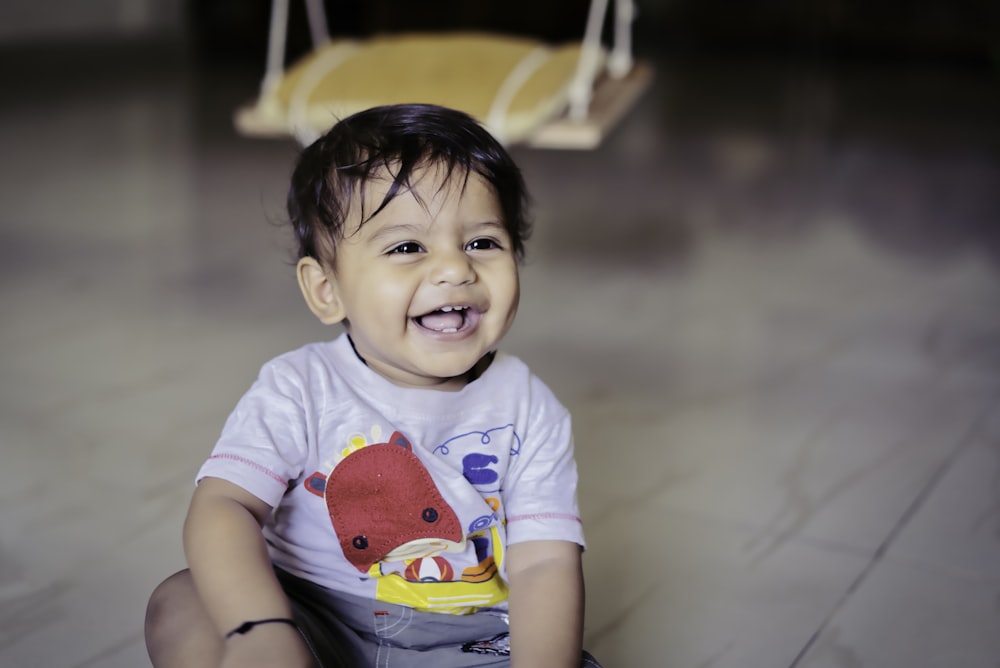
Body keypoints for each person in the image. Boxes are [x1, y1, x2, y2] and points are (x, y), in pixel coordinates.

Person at [145, 103, 600, 668]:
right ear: (325, 289)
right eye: (407, 247)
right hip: (313, 622)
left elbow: (543, 564)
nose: (455, 269)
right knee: (181, 603)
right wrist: (257, 627)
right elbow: (225, 504)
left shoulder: (531, 407)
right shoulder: (298, 389)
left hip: (470, 638)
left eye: (482, 242)